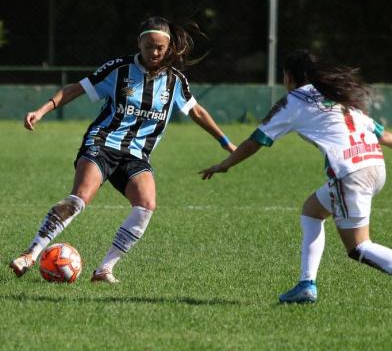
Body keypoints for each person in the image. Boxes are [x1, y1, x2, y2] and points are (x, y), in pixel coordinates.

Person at [10, 16, 236, 283]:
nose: (154, 52)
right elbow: (75, 89)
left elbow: (196, 111)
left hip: (137, 155)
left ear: (169, 48)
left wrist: (225, 142)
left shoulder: (175, 81)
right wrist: (41, 110)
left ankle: (105, 269)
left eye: (160, 48)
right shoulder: (118, 69)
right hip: (102, 143)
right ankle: (31, 253)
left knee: (146, 205)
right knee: (80, 198)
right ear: (138, 44)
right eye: (149, 46)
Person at [200, 49, 392, 303]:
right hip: (374, 166)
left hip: (349, 174)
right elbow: (382, 135)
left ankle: (307, 285)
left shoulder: (293, 102)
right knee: (312, 210)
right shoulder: (336, 95)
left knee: (358, 247)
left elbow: (256, 141)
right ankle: (306, 284)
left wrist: (225, 164)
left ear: (289, 77)